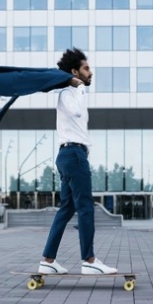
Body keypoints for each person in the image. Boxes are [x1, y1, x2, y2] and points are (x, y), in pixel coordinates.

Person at [37, 48, 118, 275]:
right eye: (86, 68)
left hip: (71, 155)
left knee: (67, 208)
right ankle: (89, 260)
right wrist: (78, 86)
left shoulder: (75, 94)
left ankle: (48, 260)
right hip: (73, 155)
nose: (90, 72)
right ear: (75, 71)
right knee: (85, 208)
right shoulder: (68, 94)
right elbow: (77, 113)